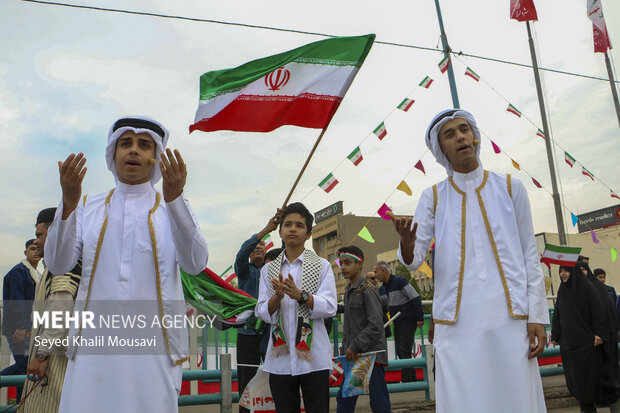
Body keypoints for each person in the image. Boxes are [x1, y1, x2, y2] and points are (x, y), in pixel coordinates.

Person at [44, 116, 209, 413]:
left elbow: (196, 263)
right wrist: (68, 203)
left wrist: (175, 200)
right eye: (126, 143)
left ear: (156, 158)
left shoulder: (173, 208)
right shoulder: (87, 206)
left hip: (154, 348)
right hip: (92, 345)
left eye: (144, 145)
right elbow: (57, 263)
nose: (134, 151)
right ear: (113, 153)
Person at [388, 109, 548, 412]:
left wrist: (537, 315)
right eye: (450, 134)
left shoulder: (511, 187)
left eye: (464, 129)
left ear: (474, 136)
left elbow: (529, 254)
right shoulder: (433, 197)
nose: (460, 136)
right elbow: (413, 260)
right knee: (465, 401)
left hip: (511, 317)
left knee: (517, 397)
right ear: (441, 149)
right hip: (457, 322)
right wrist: (407, 244)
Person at [255, 202, 337, 413]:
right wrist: (278, 297)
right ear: (281, 231)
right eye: (288, 224)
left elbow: (330, 307)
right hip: (279, 359)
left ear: (309, 233)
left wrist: (302, 296)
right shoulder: (267, 270)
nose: (293, 229)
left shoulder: (322, 266)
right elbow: (262, 311)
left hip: (314, 358)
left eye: (299, 225)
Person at [20, 207, 82, 413]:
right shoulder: (59, 263)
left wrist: (40, 356)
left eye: (39, 234)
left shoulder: (64, 264)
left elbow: (60, 314)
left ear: (55, 232)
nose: (35, 241)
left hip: (56, 365)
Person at [551, 264, 616, 413]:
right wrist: (555, 334)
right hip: (569, 346)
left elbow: (598, 312)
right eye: (560, 271)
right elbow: (558, 313)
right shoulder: (563, 290)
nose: (562, 274)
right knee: (575, 383)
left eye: (566, 270)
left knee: (586, 383)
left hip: (585, 346)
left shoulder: (587, 288)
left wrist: (599, 335)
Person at [235, 210, 282, 413]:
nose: (257, 249)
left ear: (266, 250)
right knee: (246, 380)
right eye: (254, 246)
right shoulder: (244, 270)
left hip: (269, 332)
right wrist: (265, 230)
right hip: (247, 333)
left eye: (261, 245)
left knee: (276, 376)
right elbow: (241, 254)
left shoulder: (270, 270)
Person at [336, 246, 391, 413]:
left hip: (370, 356)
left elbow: (376, 325)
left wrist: (355, 346)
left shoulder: (367, 289)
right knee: (344, 399)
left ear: (360, 264)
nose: (343, 267)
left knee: (378, 402)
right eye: (341, 263)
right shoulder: (348, 290)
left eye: (348, 263)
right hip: (354, 355)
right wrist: (347, 349)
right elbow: (351, 326)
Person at [1, 239, 40, 401]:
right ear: (25, 252)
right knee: (24, 365)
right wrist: (22, 327)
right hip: (19, 328)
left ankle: (19, 404)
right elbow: (17, 301)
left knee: (24, 369)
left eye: (38, 248)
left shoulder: (36, 273)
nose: (36, 251)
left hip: (29, 328)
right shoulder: (20, 271)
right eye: (32, 249)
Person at [375, 261, 423, 382]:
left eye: (376, 272)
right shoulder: (382, 289)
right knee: (400, 349)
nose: (375, 276)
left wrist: (419, 317)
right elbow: (380, 306)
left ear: (384, 271)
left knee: (404, 349)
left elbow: (415, 297)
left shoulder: (399, 281)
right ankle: (411, 377)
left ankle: (407, 379)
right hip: (397, 321)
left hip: (408, 319)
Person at [582, 263, 620, 411]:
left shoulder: (604, 291)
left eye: (584, 269)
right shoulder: (570, 291)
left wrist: (600, 334)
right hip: (584, 343)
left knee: (609, 376)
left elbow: (608, 314)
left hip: (604, 340)